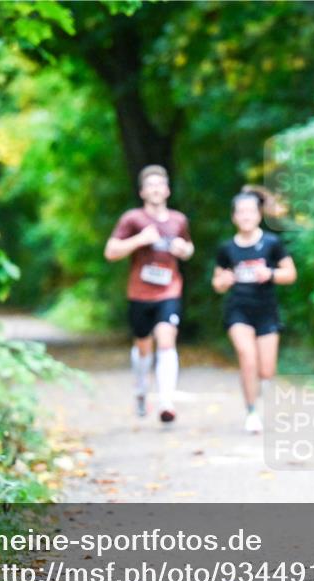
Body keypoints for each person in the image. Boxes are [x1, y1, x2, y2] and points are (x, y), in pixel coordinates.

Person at [104, 165, 195, 423]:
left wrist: (183, 249)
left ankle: (166, 401)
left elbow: (189, 248)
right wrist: (140, 240)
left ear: (167, 190)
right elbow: (111, 252)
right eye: (150, 185)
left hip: (170, 290)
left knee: (166, 339)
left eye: (160, 184)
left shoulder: (178, 220)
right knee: (143, 347)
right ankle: (141, 388)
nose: (155, 189)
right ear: (143, 192)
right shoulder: (132, 219)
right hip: (140, 293)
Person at [212, 186, 296, 433]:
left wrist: (269, 273)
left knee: (266, 369)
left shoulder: (272, 243)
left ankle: (267, 405)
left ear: (259, 215)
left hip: (266, 310)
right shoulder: (227, 248)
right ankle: (251, 411)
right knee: (247, 358)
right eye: (241, 212)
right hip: (238, 310)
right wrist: (223, 281)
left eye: (251, 211)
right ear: (234, 217)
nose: (246, 216)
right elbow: (217, 282)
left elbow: (290, 274)